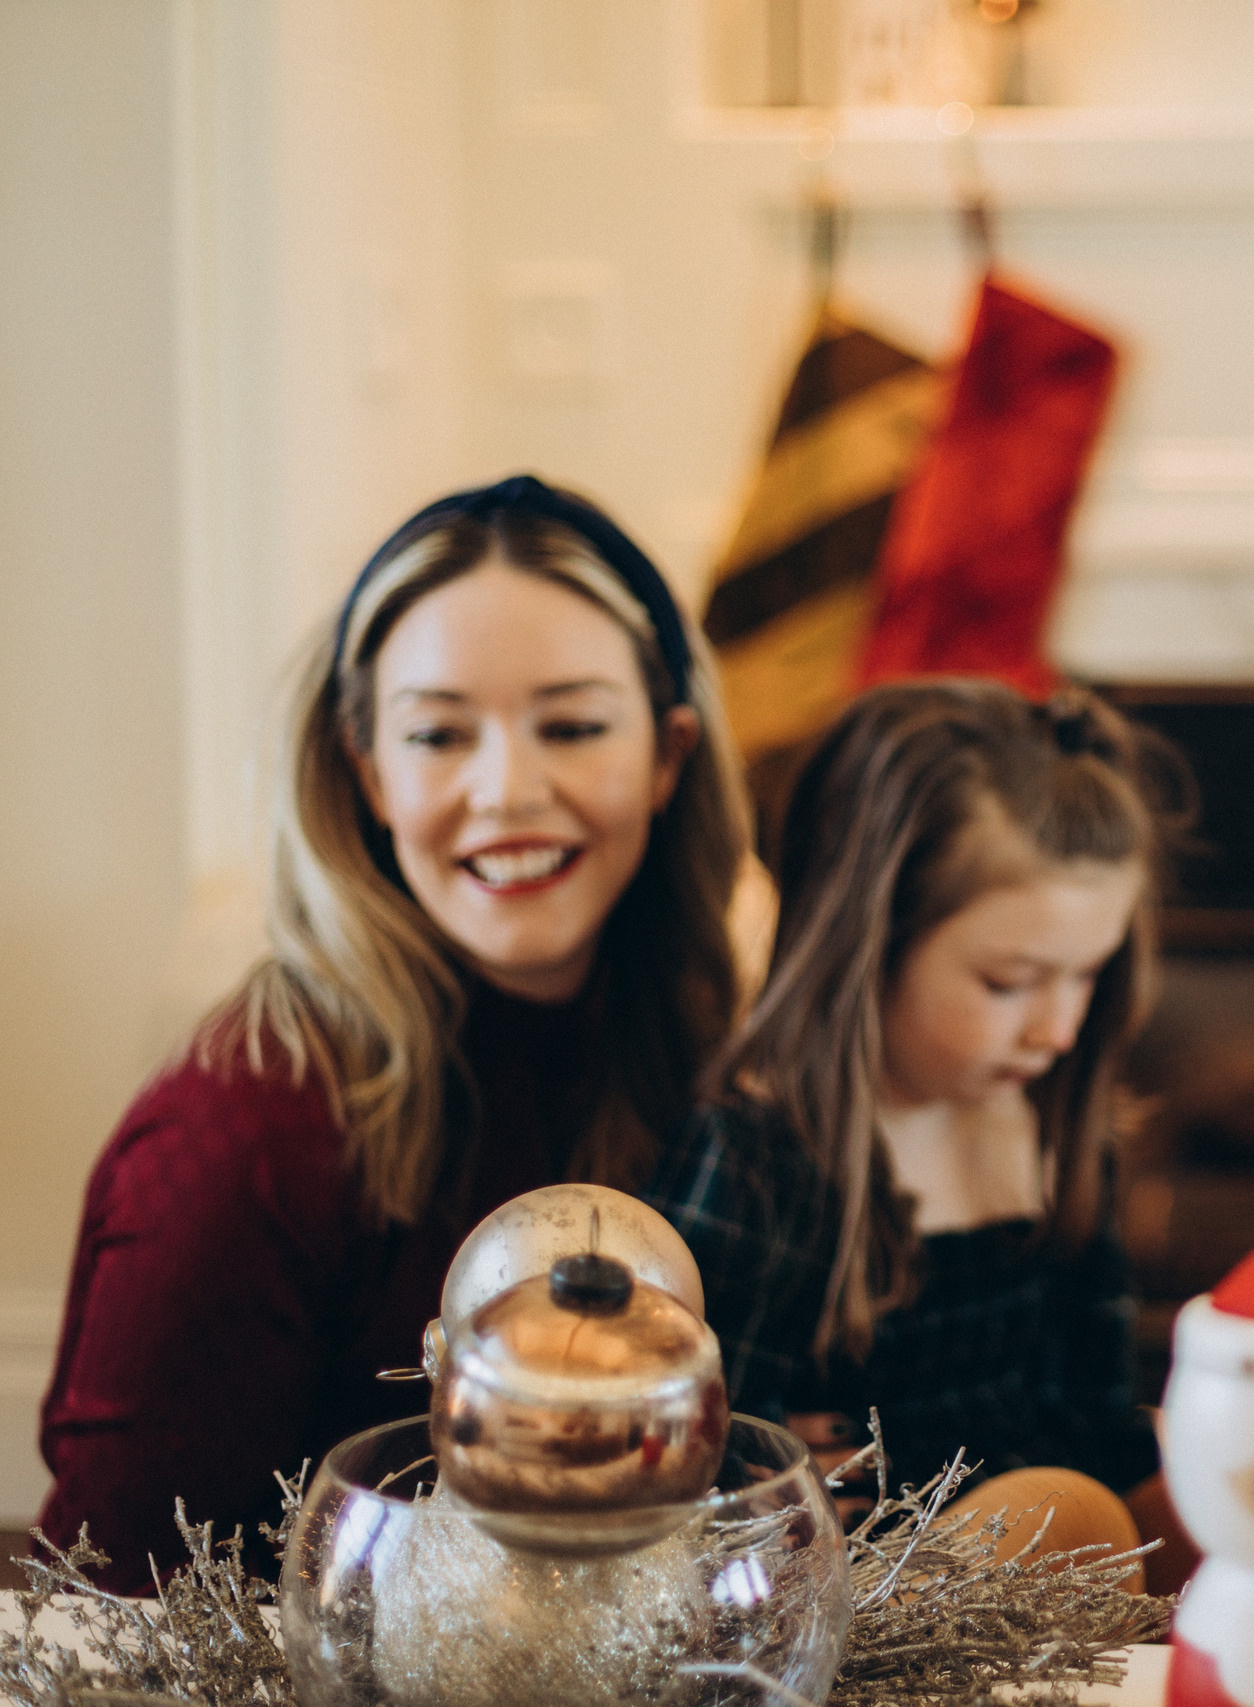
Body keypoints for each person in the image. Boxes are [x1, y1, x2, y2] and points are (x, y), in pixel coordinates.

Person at [38, 476, 749, 1588]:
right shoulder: (236, 1140)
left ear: (669, 756)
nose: (508, 788)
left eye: (571, 724)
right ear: (366, 769)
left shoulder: (712, 1054)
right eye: (437, 734)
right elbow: (111, 1608)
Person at [647, 677, 1191, 1587]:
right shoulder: (760, 1157)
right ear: (870, 941)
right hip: (856, 1598)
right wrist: (772, 1478)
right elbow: (690, 1450)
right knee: (1069, 1516)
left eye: (1085, 975)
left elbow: (1095, 1410)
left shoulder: (1056, 1129)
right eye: (1009, 982)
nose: (1058, 1031)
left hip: (1047, 1560)